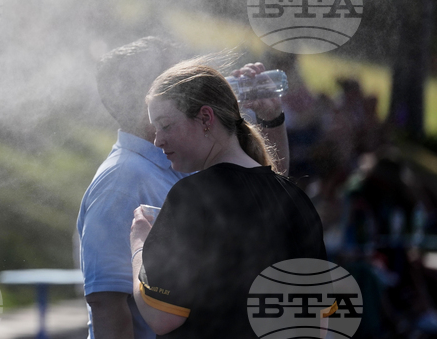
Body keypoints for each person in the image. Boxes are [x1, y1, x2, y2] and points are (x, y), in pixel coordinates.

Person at [78, 40, 291, 339]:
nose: (194, 80)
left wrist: (271, 118)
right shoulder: (121, 182)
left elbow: (270, 199)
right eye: (178, 74)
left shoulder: (185, 161)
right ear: (148, 97)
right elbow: (107, 307)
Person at [129, 59, 326, 338]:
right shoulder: (296, 199)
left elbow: (162, 316)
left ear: (206, 118)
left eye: (166, 125)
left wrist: (139, 245)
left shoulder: (192, 197)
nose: (158, 140)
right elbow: (318, 324)